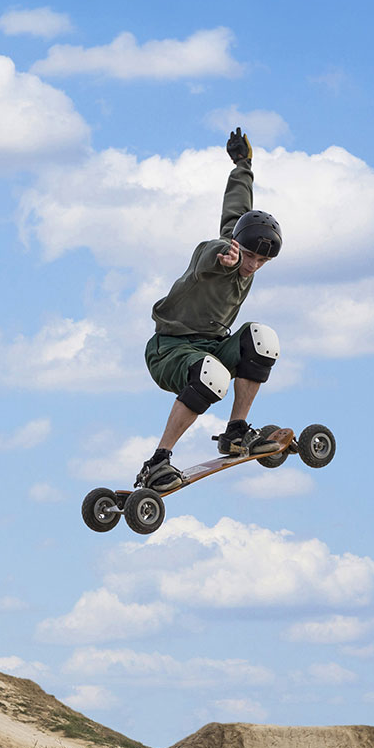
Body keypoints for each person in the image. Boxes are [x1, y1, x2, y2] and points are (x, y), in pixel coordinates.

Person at [136, 127, 285, 494]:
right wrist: (225, 259)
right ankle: (158, 461)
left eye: (261, 261)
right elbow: (209, 257)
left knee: (260, 340)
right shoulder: (219, 251)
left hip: (211, 345)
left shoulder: (240, 234)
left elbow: (239, 208)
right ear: (236, 246)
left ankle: (236, 433)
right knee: (212, 374)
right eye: (249, 256)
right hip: (168, 349)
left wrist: (243, 165)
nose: (252, 266)